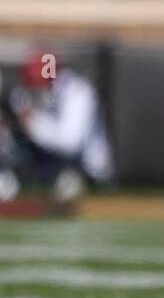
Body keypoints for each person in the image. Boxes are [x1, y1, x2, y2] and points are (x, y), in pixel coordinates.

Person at [0, 49, 114, 201]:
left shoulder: (79, 92)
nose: (36, 89)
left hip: (88, 173)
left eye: (39, 84)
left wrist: (32, 122)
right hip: (48, 167)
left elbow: (69, 143)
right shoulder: (28, 95)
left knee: (68, 184)